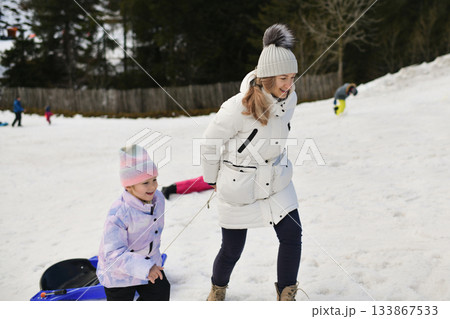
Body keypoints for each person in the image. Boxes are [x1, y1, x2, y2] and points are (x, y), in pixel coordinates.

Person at [200, 24, 303, 301]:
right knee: (232, 249)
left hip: (277, 179)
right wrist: (211, 179)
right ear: (267, 77)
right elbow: (210, 144)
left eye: (292, 77)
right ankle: (217, 289)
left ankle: (286, 293)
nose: (289, 84)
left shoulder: (289, 99)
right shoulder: (237, 107)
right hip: (240, 184)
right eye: (283, 77)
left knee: (293, 234)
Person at [96, 144, 170, 301]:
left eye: (154, 179)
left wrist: (151, 263)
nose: (153, 186)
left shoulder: (158, 200)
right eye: (145, 183)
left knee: (161, 292)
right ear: (129, 186)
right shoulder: (119, 213)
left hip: (149, 265)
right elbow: (113, 256)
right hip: (119, 275)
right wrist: (145, 267)